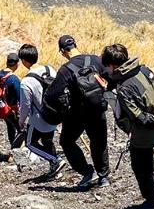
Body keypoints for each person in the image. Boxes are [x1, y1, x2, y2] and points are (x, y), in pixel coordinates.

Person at [102, 43, 154, 209]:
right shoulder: (145, 70)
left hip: (147, 130)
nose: (106, 70)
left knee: (139, 165)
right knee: (147, 157)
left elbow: (139, 117)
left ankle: (152, 201)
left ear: (113, 65)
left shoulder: (125, 88)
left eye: (106, 67)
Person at [46, 34, 110, 189]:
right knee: (99, 142)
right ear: (75, 45)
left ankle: (87, 172)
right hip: (98, 108)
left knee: (67, 142)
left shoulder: (66, 69)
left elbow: (52, 94)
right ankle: (103, 178)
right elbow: (111, 78)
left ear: (62, 51)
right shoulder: (95, 60)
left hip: (77, 114)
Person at [16, 43, 63, 178]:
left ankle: (55, 161)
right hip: (54, 114)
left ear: (24, 61)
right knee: (48, 141)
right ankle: (54, 169)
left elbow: (25, 105)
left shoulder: (26, 82)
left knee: (31, 143)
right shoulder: (50, 70)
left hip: (38, 119)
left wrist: (21, 120)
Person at [0, 52, 24, 150]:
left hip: (2, 107)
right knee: (22, 130)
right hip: (12, 109)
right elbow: (20, 97)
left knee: (10, 127)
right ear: (17, 64)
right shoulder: (13, 79)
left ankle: (13, 148)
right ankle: (14, 150)